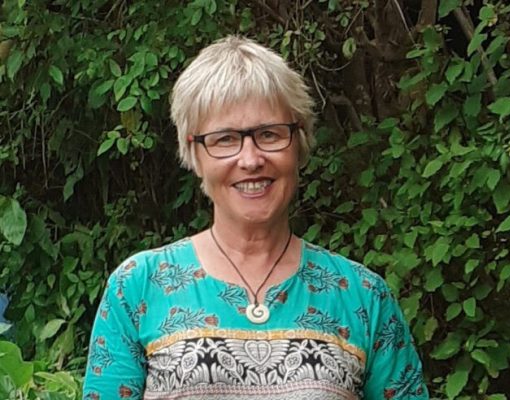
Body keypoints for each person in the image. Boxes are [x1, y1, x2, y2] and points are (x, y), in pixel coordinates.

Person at [83, 35, 428, 400]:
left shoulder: (363, 296)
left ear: (299, 143)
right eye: (225, 139)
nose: (250, 160)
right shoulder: (138, 287)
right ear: (195, 154)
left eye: (269, 134)